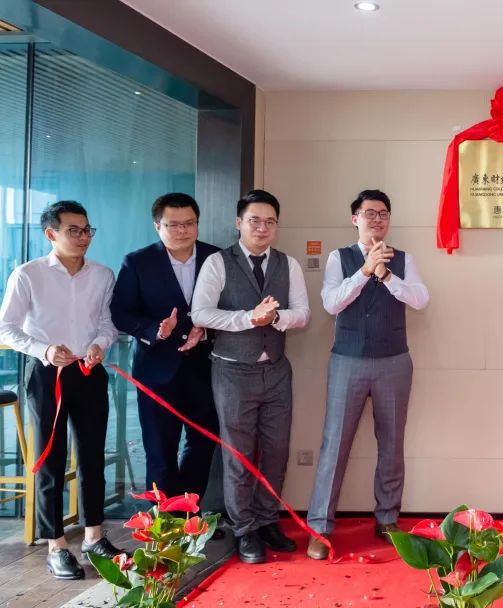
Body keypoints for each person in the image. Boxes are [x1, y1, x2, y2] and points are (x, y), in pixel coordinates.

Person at [0, 201, 124, 579]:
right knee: (51, 460)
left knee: (92, 456)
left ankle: (94, 536)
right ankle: (55, 544)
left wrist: (100, 343)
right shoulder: (28, 274)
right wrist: (44, 349)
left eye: (87, 230)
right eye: (74, 230)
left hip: (89, 371)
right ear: (50, 233)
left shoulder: (102, 275)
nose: (83, 237)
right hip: (46, 375)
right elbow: (6, 328)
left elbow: (108, 323)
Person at [305, 190, 429, 560]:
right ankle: (320, 527)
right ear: (355, 218)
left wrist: (386, 275)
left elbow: (420, 299)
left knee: (391, 443)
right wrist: (363, 271)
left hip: (394, 361)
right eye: (369, 213)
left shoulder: (403, 259)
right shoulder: (338, 258)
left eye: (383, 213)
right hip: (348, 360)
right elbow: (331, 303)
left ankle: (387, 518)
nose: (376, 219)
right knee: (335, 444)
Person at [191, 189, 310, 564]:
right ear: (238, 223)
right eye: (255, 220)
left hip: (276, 369)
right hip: (232, 370)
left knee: (276, 451)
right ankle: (244, 529)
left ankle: (267, 519)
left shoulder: (288, 264)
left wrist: (276, 318)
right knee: (238, 454)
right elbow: (201, 313)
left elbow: (303, 314)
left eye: (270, 221)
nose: (262, 228)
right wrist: (248, 319)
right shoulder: (217, 262)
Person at [111, 193, 220, 500]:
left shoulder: (216, 258)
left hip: (206, 368)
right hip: (157, 370)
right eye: (173, 225)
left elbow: (228, 306)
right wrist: (154, 330)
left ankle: (188, 516)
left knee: (203, 444)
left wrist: (206, 327)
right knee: (160, 451)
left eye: (189, 223)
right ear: (157, 226)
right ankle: (162, 522)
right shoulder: (137, 262)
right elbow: (120, 312)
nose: (182, 230)